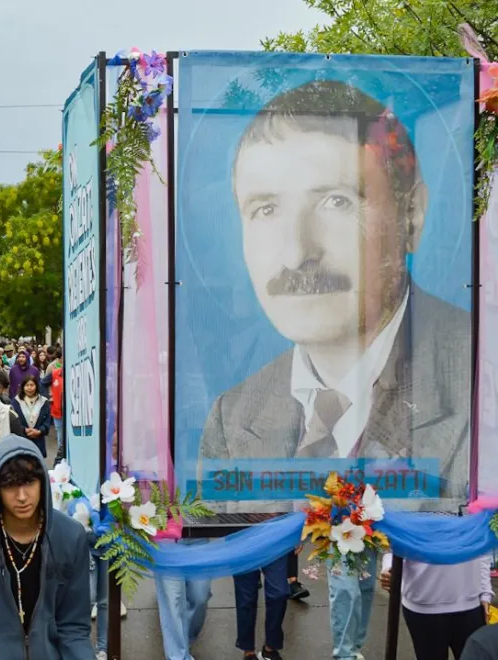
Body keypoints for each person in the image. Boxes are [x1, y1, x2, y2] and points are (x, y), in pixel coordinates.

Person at [199, 80, 470, 506]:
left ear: (411, 217)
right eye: (265, 209)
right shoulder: (231, 420)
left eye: (336, 202)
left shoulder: (481, 379)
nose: (296, 253)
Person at [0, 435, 93, 659]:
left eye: (30, 482)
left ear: (43, 482)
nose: (22, 497)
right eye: (10, 485)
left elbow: (74, 627)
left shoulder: (69, 536)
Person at [381, 553, 492, 660]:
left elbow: (482, 547)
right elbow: (391, 548)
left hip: (470, 605)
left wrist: (485, 592)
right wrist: (390, 568)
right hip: (422, 608)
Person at [233, 557, 289, 660]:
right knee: (245, 598)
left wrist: (297, 539)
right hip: (242, 543)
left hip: (274, 543)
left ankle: (270, 647)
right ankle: (248, 650)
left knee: (279, 593)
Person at [12, 375, 51, 458]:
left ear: (36, 386)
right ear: (23, 387)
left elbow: (47, 421)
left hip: (38, 441)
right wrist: (24, 430)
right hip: (21, 441)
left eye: (32, 385)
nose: (29, 388)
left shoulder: (44, 402)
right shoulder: (16, 402)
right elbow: (14, 421)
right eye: (27, 385)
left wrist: (39, 431)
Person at [44, 357, 65, 461]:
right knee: (61, 439)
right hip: (58, 412)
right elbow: (42, 383)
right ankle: (61, 460)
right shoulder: (54, 373)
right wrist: (48, 397)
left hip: (74, 414)